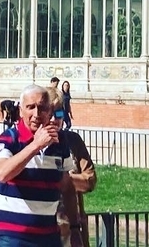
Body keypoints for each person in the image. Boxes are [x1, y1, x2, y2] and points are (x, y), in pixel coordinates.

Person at [0, 84, 83, 247]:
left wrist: (75, 228)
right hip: (13, 237)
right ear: (21, 111)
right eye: (30, 107)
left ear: (49, 111)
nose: (36, 114)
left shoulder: (60, 142)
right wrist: (35, 145)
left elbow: (67, 187)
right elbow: (2, 174)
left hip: (48, 237)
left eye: (42, 108)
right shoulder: (10, 139)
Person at [47, 86, 95, 247]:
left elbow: (89, 180)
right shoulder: (30, 145)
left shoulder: (73, 141)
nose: (55, 119)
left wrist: (62, 178)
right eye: (50, 113)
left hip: (71, 226)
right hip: (42, 227)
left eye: (59, 113)